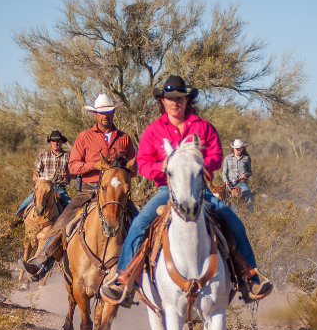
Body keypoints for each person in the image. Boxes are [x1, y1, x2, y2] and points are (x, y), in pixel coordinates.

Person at [101, 75, 272, 303]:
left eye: (180, 98)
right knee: (140, 224)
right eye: (170, 98)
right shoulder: (153, 131)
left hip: (200, 190)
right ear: (162, 101)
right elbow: (142, 162)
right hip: (166, 190)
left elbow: (216, 156)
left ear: (186, 100)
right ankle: (122, 279)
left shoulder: (203, 127)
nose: (175, 103)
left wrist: (201, 167)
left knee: (233, 221)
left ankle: (250, 276)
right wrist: (162, 168)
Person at [19, 94, 137, 281]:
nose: (104, 116)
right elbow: (73, 166)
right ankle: (41, 263)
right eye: (100, 113)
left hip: (115, 194)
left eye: (107, 112)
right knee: (62, 223)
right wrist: (94, 165)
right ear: (95, 115)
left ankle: (142, 270)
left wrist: (120, 172)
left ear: (113, 112)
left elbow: (134, 169)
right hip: (90, 190)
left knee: (139, 223)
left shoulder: (124, 139)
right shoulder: (85, 137)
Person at [15, 130, 72, 216]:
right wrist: (35, 174)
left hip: (60, 188)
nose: (56, 143)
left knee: (70, 207)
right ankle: (16, 220)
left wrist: (68, 175)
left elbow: (75, 174)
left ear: (61, 142)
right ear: (50, 142)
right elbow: (36, 169)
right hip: (43, 187)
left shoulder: (68, 156)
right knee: (26, 203)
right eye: (53, 141)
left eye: (58, 141)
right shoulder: (43, 155)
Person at [222, 138, 254, 212]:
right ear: (233, 148)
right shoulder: (227, 158)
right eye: (236, 148)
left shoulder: (246, 158)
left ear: (242, 148)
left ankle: (250, 214)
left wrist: (246, 175)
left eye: (239, 148)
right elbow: (224, 173)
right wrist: (226, 181)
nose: (238, 150)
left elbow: (250, 171)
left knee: (248, 197)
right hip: (230, 184)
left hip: (242, 183)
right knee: (223, 199)